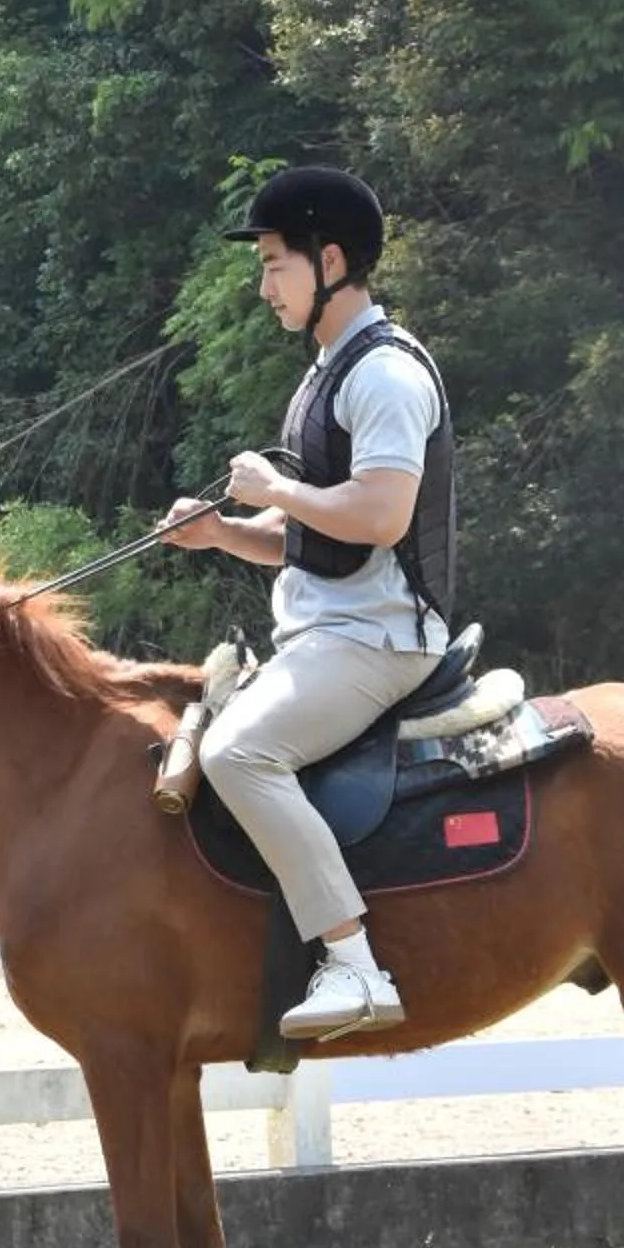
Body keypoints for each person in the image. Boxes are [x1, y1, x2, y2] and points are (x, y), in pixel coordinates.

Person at [161, 166, 457, 1041]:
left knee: (240, 754)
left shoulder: (386, 377)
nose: (263, 286)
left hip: (378, 640)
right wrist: (225, 533)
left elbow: (381, 513)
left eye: (275, 264)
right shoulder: (331, 369)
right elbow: (320, 543)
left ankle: (354, 962)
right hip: (330, 628)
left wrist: (275, 492)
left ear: (331, 261)